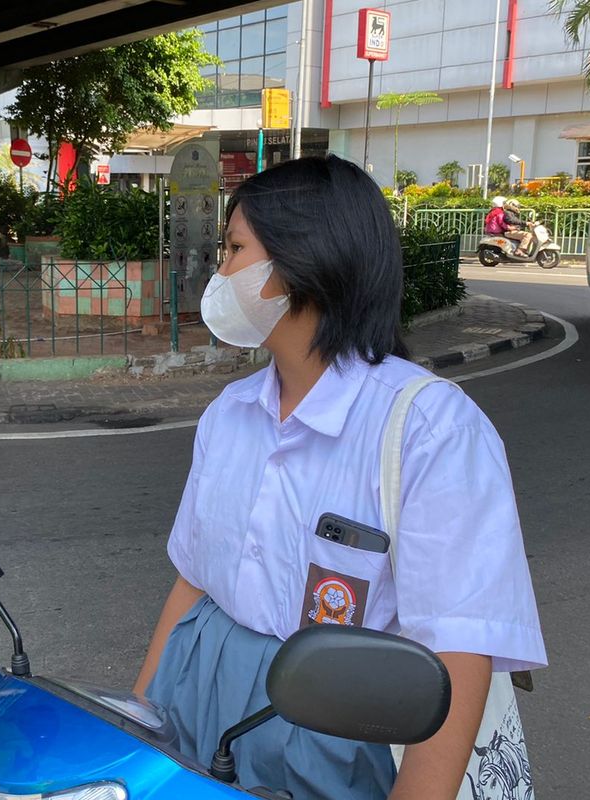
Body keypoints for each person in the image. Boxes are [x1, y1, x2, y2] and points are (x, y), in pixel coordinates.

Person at [133, 155, 546, 799]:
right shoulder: (228, 415)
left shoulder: (432, 431)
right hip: (196, 700)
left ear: (303, 265)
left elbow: (460, 654)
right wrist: (138, 727)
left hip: (332, 733)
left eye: (235, 248)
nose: (221, 272)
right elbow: (192, 583)